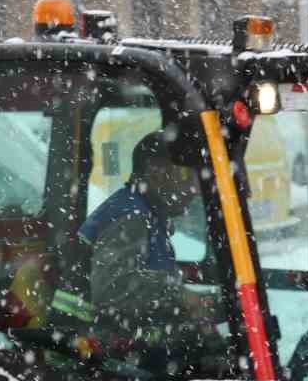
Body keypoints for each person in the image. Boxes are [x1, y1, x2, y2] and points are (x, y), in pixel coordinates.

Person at [75, 131, 220, 358]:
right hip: (103, 353)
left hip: (113, 345)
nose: (193, 188)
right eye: (185, 175)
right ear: (155, 171)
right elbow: (113, 288)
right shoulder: (132, 217)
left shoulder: (143, 212)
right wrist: (181, 296)